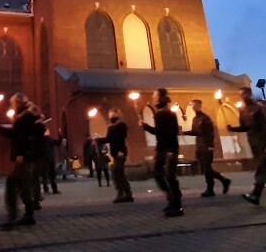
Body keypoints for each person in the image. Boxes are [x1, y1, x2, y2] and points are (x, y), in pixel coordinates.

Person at [229, 87, 266, 206]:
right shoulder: (243, 111)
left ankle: (256, 194)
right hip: (254, 144)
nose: (243, 97)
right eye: (241, 95)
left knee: (262, 169)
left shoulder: (258, 109)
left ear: (250, 95)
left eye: (245, 94)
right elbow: (245, 127)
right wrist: (232, 128)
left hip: (264, 143)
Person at [0, 93, 42, 230]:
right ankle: (28, 214)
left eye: (13, 103)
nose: (12, 105)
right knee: (23, 185)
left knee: (12, 183)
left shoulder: (25, 117)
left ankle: (14, 215)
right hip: (23, 156)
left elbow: (22, 136)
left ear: (18, 103)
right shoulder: (24, 117)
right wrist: (2, 129)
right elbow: (17, 133)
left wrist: (21, 153)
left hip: (23, 156)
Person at [140, 88, 184, 217]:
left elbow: (166, 133)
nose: (153, 96)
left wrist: (170, 150)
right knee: (159, 173)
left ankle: (176, 203)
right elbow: (161, 132)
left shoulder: (164, 114)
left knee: (168, 176)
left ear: (160, 97)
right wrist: (145, 126)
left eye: (155, 94)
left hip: (167, 149)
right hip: (163, 148)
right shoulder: (164, 113)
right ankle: (172, 197)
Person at [183, 99, 230, 197]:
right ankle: (224, 180)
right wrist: (183, 132)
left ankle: (210, 188)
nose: (193, 107)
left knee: (207, 168)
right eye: (192, 105)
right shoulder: (195, 118)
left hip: (206, 146)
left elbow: (210, 133)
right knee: (205, 168)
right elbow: (195, 132)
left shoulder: (205, 118)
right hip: (199, 146)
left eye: (195, 105)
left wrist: (211, 146)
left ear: (199, 106)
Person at [96, 109, 133, 203]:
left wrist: (121, 151)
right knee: (119, 173)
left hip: (120, 152)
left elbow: (121, 137)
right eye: (109, 114)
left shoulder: (121, 125)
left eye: (112, 114)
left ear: (117, 115)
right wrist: (98, 139)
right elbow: (108, 139)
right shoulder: (111, 128)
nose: (110, 116)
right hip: (115, 153)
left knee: (117, 172)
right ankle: (126, 193)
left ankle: (123, 193)